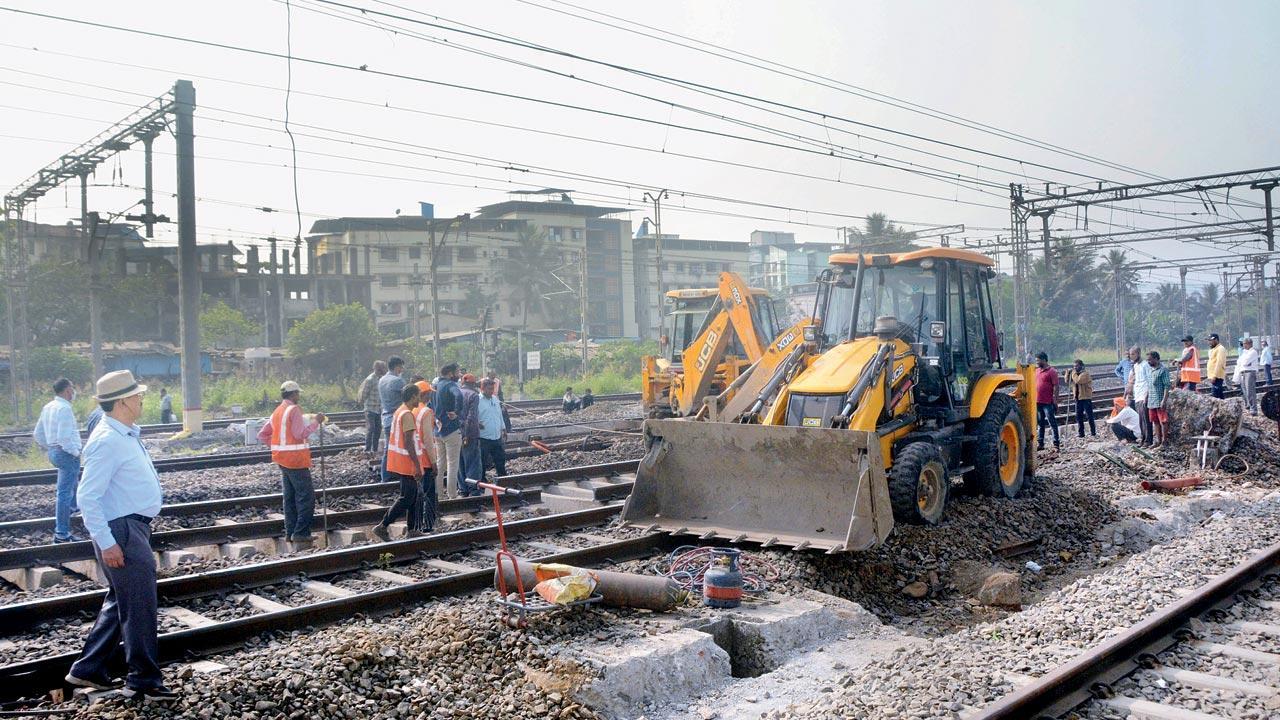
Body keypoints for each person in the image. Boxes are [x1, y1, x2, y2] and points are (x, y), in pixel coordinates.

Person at [66, 370, 176, 701]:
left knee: (122, 603)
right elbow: (87, 497)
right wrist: (108, 541)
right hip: (122, 530)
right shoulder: (107, 440)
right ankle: (143, 681)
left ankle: (88, 670)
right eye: (138, 395)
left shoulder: (122, 433)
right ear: (124, 401)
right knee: (140, 606)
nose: (142, 398)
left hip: (130, 528)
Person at [256, 381, 325, 544]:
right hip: (296, 461)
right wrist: (316, 422)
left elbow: (263, 434)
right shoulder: (294, 410)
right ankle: (301, 533)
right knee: (306, 498)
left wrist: (279, 447)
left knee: (289, 498)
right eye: (298, 393)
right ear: (293, 394)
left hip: (282, 460)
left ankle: (290, 532)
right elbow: (300, 433)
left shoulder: (277, 411)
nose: (298, 396)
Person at [372, 385, 427, 542]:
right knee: (407, 497)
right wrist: (417, 465)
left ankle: (412, 529)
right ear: (412, 397)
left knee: (414, 496)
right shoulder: (407, 415)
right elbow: (409, 442)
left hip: (400, 461)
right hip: (407, 462)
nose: (420, 399)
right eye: (418, 396)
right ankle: (383, 526)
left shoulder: (399, 411)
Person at [33, 378, 81, 543]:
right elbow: (64, 437)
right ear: (68, 390)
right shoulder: (65, 408)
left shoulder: (48, 407)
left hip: (54, 452)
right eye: (72, 388)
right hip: (66, 453)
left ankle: (75, 508)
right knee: (64, 494)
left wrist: (51, 447)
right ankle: (62, 533)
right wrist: (75, 452)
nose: (73, 392)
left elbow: (38, 434)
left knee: (71, 487)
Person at [431, 363, 465, 500]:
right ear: (451, 373)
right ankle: (452, 494)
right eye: (458, 372)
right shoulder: (451, 385)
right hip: (451, 430)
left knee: (440, 463)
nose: (459, 375)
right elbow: (459, 396)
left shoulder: (436, 386)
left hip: (438, 431)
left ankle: (438, 495)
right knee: (452, 464)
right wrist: (456, 412)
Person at [411, 381, 439, 530]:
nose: (430, 396)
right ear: (425, 394)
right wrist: (434, 462)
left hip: (414, 458)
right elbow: (428, 439)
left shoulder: (412, 410)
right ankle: (428, 525)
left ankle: (416, 525)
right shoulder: (426, 412)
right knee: (429, 494)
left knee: (417, 494)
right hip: (426, 460)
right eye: (429, 393)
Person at [377, 357, 407, 482]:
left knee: (389, 448)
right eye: (401, 366)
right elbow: (410, 394)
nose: (402, 369)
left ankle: (386, 476)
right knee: (404, 446)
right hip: (398, 418)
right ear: (397, 366)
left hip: (386, 418)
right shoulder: (397, 381)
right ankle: (403, 474)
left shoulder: (382, 379)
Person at [477, 377, 507, 480]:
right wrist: (477, 423)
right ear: (482, 389)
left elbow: (499, 415)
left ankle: (503, 480)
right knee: (483, 461)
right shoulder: (477, 400)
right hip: (484, 437)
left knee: (500, 459)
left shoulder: (495, 399)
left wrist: (503, 428)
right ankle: (481, 483)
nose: (491, 391)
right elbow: (472, 416)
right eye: (489, 389)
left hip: (496, 436)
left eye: (492, 389)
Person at [458, 374, 483, 496]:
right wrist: (467, 434)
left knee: (460, 462)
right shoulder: (474, 395)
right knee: (473, 462)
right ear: (473, 384)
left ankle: (463, 490)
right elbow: (471, 416)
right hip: (471, 434)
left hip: (457, 433)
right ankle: (473, 490)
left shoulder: (456, 393)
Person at [1124, 345, 1154, 446]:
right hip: (1137, 395)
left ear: (1138, 353)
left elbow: (1150, 380)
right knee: (1140, 419)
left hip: (1144, 394)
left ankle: (1148, 440)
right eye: (1130, 354)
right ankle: (1143, 438)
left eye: (1133, 354)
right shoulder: (1135, 366)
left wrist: (1147, 394)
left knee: (1146, 419)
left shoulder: (1145, 365)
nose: (1131, 356)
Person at [357, 360, 388, 455]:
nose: (382, 370)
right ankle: (367, 449)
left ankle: (374, 449)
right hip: (370, 408)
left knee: (378, 429)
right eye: (380, 369)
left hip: (378, 409)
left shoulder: (382, 379)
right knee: (371, 428)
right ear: (376, 369)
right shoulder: (370, 379)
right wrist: (361, 402)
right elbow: (364, 393)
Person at [1034, 353, 1060, 451]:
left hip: (1048, 402)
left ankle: (1056, 444)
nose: (1037, 362)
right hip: (1038, 401)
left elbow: (1056, 386)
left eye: (1038, 360)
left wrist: (1055, 400)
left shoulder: (1052, 371)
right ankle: (1041, 443)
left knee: (1052, 422)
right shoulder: (1037, 371)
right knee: (1040, 423)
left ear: (1044, 360)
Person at [1065, 359, 1096, 438]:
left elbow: (1078, 380)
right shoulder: (1075, 374)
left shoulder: (1085, 374)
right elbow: (1067, 381)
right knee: (1079, 416)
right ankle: (1081, 433)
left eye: (1077, 366)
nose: (1075, 368)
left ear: (1081, 366)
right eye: (1074, 366)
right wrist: (1067, 374)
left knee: (1089, 415)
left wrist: (1073, 373)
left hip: (1086, 397)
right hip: (1078, 398)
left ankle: (1093, 432)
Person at [1146, 352, 1171, 447]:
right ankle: (1158, 441)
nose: (1149, 362)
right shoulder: (1150, 370)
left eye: (1150, 359)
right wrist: (1146, 397)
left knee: (1163, 421)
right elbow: (1149, 385)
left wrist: (1164, 400)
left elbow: (1167, 386)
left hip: (1160, 399)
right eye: (1148, 360)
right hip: (1152, 400)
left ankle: (1164, 441)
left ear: (1156, 359)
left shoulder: (1163, 370)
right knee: (1155, 421)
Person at [1235, 337, 1260, 415]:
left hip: (1250, 372)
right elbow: (1239, 361)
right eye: (1243, 344)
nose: (1244, 345)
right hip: (1243, 372)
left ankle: (1254, 409)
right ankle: (1249, 406)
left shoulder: (1253, 352)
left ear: (1250, 344)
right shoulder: (1245, 352)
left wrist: (1244, 361)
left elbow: (1245, 362)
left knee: (1250, 391)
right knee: (1245, 390)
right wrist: (1243, 361)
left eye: (1245, 344)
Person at [1206, 333, 1227, 399]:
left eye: (1211, 340)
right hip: (1214, 376)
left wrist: (1214, 376)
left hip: (1217, 376)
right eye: (1209, 340)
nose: (1209, 342)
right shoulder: (1214, 349)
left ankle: (1220, 408)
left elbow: (1219, 363)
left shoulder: (1220, 349)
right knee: (1219, 396)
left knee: (1215, 396)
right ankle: (1224, 408)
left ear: (1216, 340)